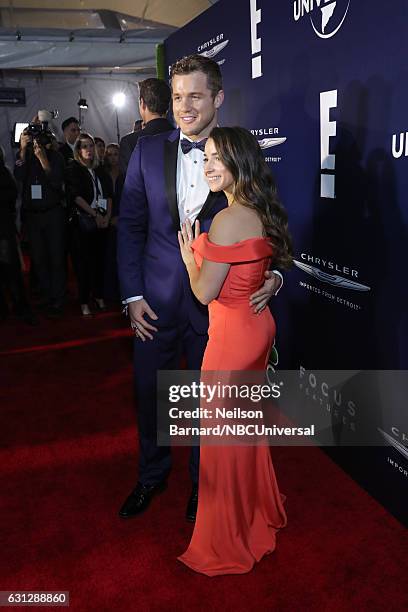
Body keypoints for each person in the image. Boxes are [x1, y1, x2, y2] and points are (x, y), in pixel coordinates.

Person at [117, 54, 282, 523]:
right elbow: (129, 226)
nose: (183, 107)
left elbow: (268, 222)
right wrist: (132, 295)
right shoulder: (146, 152)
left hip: (221, 313)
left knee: (209, 407)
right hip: (154, 304)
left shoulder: (239, 152)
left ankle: (202, 485)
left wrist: (276, 274)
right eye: (176, 97)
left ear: (218, 98)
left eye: (194, 96)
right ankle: (151, 476)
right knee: (151, 394)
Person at [177, 127, 292, 575]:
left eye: (217, 158)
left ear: (239, 162)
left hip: (230, 341)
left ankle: (229, 535)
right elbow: (273, 258)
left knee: (224, 439)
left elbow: (205, 294)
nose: (208, 166)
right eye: (204, 157)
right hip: (255, 331)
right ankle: (254, 508)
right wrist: (274, 280)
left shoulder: (226, 220)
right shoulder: (257, 208)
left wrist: (190, 258)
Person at [14, 125, 66, 318]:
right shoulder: (25, 156)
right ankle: (47, 297)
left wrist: (43, 158)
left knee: (56, 258)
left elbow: (56, 180)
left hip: (53, 214)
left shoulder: (56, 156)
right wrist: (22, 149)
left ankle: (58, 300)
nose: (37, 142)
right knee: (39, 259)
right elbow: (18, 176)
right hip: (33, 216)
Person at [65, 133, 112, 316]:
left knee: (99, 262)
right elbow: (75, 197)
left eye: (91, 146)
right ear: (78, 150)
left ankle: (99, 296)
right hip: (82, 223)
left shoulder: (100, 170)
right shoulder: (73, 169)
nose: (89, 150)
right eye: (84, 146)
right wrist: (94, 215)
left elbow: (109, 195)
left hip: (101, 222)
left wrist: (107, 215)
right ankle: (84, 300)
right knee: (83, 265)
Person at [0, 146, 36, 325]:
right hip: (5, 228)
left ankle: (21, 308)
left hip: (3, 230)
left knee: (11, 271)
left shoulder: (4, 172)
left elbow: (11, 196)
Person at [119, 78, 173, 175]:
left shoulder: (130, 142)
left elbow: (129, 185)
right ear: (168, 105)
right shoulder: (182, 138)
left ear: (142, 103)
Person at [103, 143, 123, 301]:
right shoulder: (102, 174)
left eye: (115, 154)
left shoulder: (126, 174)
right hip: (105, 220)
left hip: (123, 220)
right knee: (108, 258)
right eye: (109, 154)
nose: (113, 157)